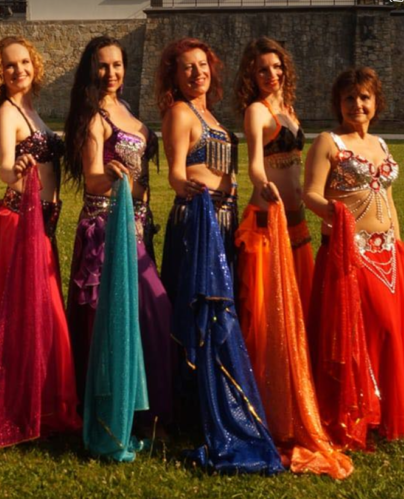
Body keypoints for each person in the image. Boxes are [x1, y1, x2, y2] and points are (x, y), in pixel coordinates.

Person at [156, 37, 283, 475]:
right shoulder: (180, 112)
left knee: (225, 310)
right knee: (203, 313)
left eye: (203, 65)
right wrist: (187, 189)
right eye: (187, 68)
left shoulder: (212, 115)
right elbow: (175, 172)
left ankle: (216, 398)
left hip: (225, 223)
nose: (197, 73)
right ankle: (194, 407)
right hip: (197, 222)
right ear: (175, 76)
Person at [232, 38, 352, 478]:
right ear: (252, 74)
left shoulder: (289, 110)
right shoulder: (257, 111)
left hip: (299, 226)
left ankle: (300, 387)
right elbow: (255, 164)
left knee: (297, 312)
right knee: (268, 318)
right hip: (270, 222)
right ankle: (269, 403)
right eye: (263, 69)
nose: (272, 75)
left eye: (277, 67)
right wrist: (263, 187)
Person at [304, 67, 404, 449]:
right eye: (349, 98)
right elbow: (311, 194)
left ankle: (382, 409)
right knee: (370, 329)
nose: (357, 104)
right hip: (349, 252)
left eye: (364, 97)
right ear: (338, 103)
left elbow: (388, 199)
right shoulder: (328, 142)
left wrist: (400, 250)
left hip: (387, 251)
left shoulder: (381, 144)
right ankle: (355, 409)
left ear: (375, 102)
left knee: (387, 331)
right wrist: (336, 214)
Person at [0, 36, 81, 452]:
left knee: (43, 314)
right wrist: (15, 166)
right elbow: (4, 166)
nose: (18, 70)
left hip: (43, 223)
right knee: (31, 315)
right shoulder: (6, 113)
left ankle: (46, 403)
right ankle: (25, 405)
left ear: (34, 65)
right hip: (20, 223)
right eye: (9, 65)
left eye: (23, 63)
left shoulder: (33, 111)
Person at [64, 36, 172, 443]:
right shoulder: (94, 116)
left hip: (137, 224)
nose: (111, 73)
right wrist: (111, 175)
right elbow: (92, 179)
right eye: (103, 65)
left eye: (117, 65)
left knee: (144, 314)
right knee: (136, 313)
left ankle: (145, 409)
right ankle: (123, 410)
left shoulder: (124, 108)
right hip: (107, 228)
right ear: (91, 70)